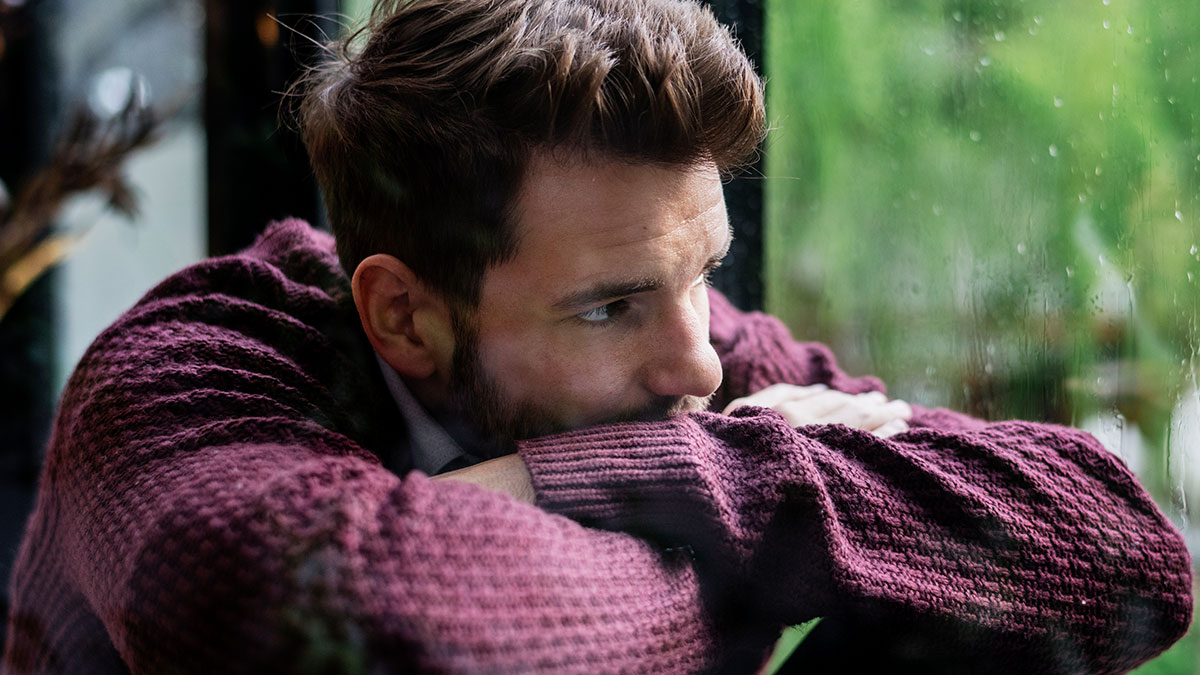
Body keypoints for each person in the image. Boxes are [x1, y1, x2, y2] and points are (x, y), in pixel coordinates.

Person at [2, 0, 1192, 672]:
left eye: (704, 271)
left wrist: (611, 475)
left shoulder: (676, 347)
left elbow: (1125, 551)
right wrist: (748, 511)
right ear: (404, 315)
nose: (704, 364)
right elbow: (359, 620)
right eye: (610, 305)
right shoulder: (182, 377)